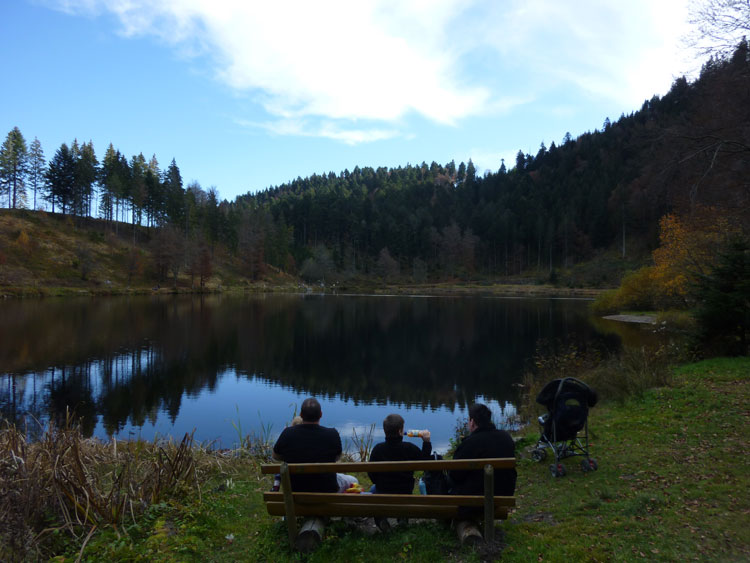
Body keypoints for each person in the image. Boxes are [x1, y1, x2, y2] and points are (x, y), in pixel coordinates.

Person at [272, 397, 342, 492]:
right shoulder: (333, 434)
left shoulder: (287, 433)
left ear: (301, 415)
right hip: (327, 493)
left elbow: (275, 456)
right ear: (321, 414)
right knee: (353, 480)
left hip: (295, 493)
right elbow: (337, 458)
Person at [449, 403, 516, 497]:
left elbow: (454, 475)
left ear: (472, 422)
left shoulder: (471, 442)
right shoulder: (506, 437)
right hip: (504, 495)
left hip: (475, 502)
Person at [368, 414, 432, 494]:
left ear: (385, 431)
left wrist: (379, 483)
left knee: (373, 488)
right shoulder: (410, 448)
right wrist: (426, 442)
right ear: (400, 431)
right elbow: (425, 464)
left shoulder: (378, 449)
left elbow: (371, 473)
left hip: (382, 491)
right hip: (405, 492)